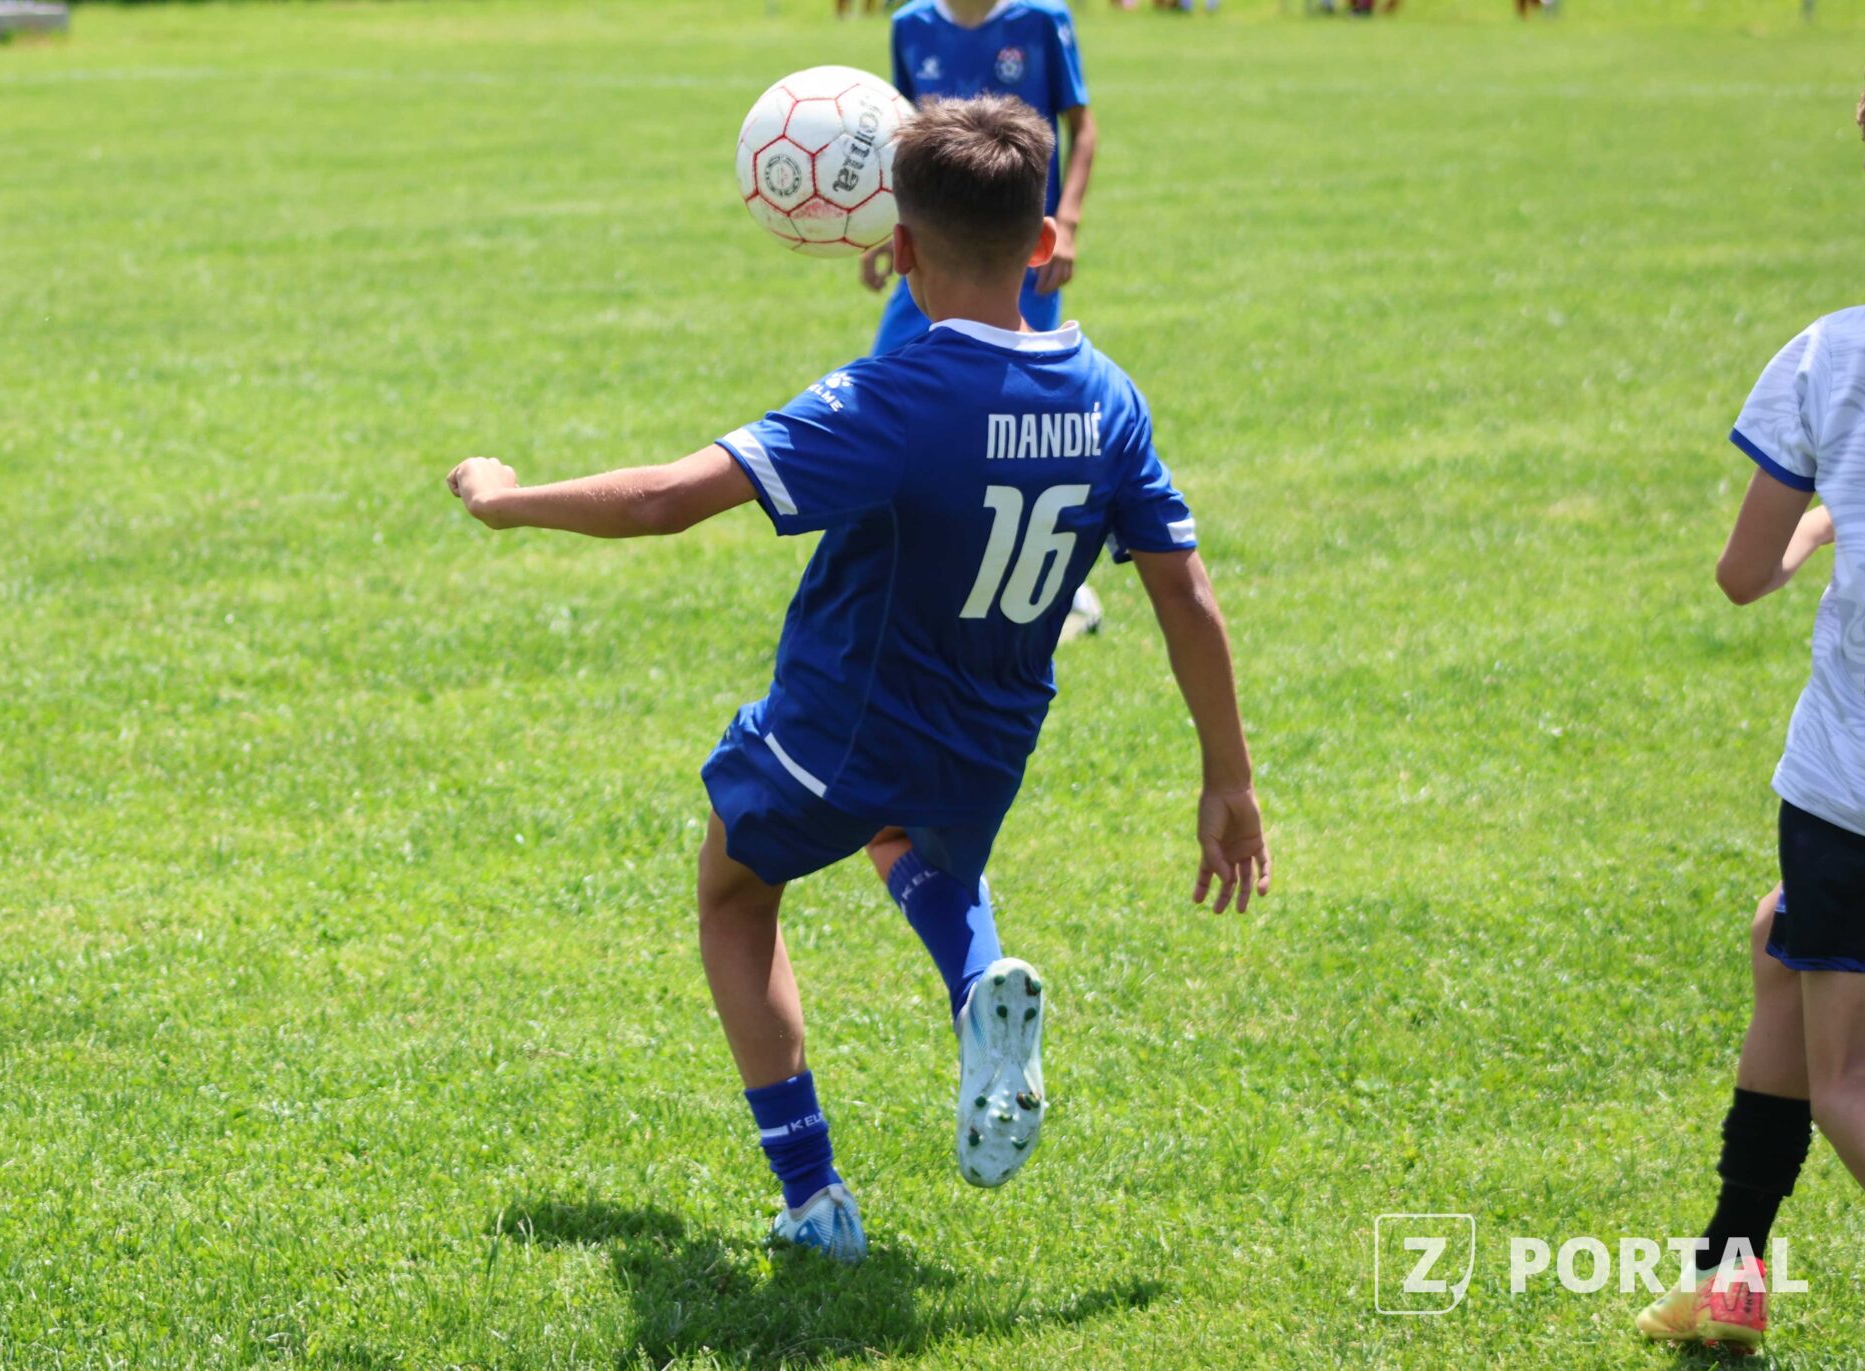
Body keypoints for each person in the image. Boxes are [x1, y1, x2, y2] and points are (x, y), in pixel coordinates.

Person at [444, 94, 1268, 1265]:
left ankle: (813, 1198)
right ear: (1044, 243)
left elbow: (667, 499)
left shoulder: (895, 398)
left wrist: (505, 499)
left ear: (900, 250)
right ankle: (977, 986)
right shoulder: (1108, 398)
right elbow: (1184, 593)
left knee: (735, 897)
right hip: (988, 745)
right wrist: (1228, 777)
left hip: (841, 728)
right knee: (911, 844)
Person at [1632, 41, 1865, 1355]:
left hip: (1859, 794)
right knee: (1780, 941)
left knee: (1856, 1082)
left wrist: (1822, 521)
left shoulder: (1834, 358)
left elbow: (1742, 573)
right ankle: (1725, 1281)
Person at [870, 0, 1105, 633]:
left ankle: (1057, 578)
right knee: (892, 387)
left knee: (1018, 408)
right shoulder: (911, 25)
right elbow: (904, 137)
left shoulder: (1040, 17)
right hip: (932, 249)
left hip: (1015, 249)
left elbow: (1081, 128)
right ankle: (909, 560)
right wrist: (882, 225)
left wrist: (1066, 221)